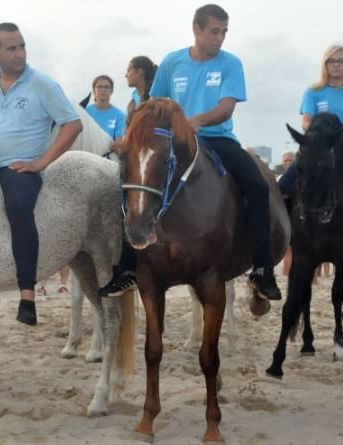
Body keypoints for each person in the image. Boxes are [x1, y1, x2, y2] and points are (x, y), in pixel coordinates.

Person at [147, 4, 281, 299]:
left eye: (224, 32)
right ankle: (128, 266)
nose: (220, 38)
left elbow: (225, 108)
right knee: (134, 181)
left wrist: (193, 122)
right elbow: (155, 103)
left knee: (258, 187)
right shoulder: (172, 62)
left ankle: (261, 268)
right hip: (175, 142)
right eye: (214, 31)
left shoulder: (231, 64)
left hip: (217, 139)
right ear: (196, 29)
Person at [0, 22, 82, 326]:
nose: (19, 54)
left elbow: (72, 124)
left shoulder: (42, 84)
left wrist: (41, 163)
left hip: (21, 168)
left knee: (18, 206)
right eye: (11, 48)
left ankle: (27, 293)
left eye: (22, 46)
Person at [278, 45, 343, 202]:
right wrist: (323, 131)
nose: (336, 64)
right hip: (316, 149)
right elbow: (305, 122)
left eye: (341, 61)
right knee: (282, 187)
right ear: (325, 64)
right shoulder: (312, 92)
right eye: (331, 61)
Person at [85, 75, 126, 141]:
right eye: (99, 87)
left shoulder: (119, 115)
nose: (103, 90)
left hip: (109, 150)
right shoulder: (86, 112)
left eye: (107, 87)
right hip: (86, 150)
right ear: (94, 90)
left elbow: (119, 140)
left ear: (111, 91)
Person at [125, 56, 158, 122]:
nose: (126, 75)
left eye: (129, 71)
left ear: (139, 73)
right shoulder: (133, 102)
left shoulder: (156, 101)